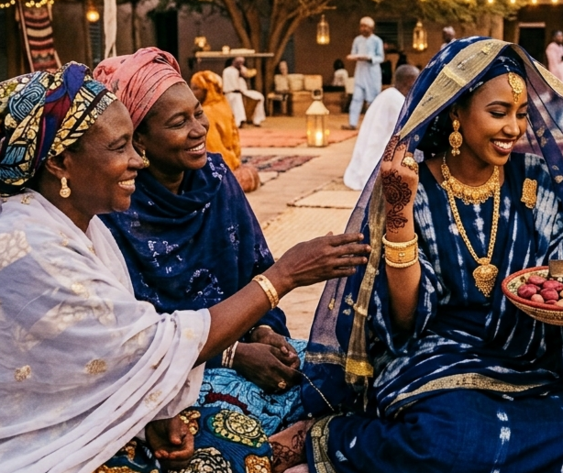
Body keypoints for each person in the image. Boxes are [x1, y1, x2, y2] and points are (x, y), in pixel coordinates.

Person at [0, 63, 369, 473]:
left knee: (342, 373)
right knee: (234, 445)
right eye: (120, 147)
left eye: (197, 113)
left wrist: (159, 415)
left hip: (151, 388)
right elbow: (151, 339)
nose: (136, 162)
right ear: (60, 162)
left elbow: (124, 353)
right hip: (47, 440)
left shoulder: (83, 224)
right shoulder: (29, 243)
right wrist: (282, 279)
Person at [299, 36, 563, 473]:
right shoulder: (409, 184)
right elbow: (403, 318)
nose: (514, 128)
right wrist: (398, 214)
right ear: (456, 111)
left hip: (522, 353)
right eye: (499, 113)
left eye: (522, 114)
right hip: (435, 352)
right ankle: (336, 436)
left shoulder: (530, 177)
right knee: (450, 443)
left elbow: (558, 272)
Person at [94, 48, 317, 439]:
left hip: (245, 341)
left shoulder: (215, 176)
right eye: (179, 122)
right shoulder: (116, 208)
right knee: (234, 432)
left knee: (338, 378)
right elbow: (134, 337)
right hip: (175, 373)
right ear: (139, 138)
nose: (199, 129)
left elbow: (255, 270)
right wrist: (231, 356)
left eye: (198, 112)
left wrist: (264, 331)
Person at [343, 64, 420, 190]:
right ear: (408, 81)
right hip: (375, 162)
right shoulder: (396, 100)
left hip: (369, 158)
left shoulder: (388, 94)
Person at [190, 70, 243, 170]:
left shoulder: (205, 113)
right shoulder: (224, 104)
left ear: (208, 90)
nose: (192, 93)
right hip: (233, 160)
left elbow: (213, 149)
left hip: (221, 164)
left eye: (196, 88)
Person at [345, 16, 385, 130]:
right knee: (356, 98)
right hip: (360, 72)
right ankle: (352, 123)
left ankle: (373, 124)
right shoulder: (357, 40)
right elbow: (353, 53)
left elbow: (380, 57)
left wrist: (369, 58)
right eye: (362, 26)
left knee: (372, 100)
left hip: (372, 73)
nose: (363, 28)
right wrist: (355, 57)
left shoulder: (377, 41)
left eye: (366, 26)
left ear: (371, 28)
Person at [223, 55, 266, 127]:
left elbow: (249, 74)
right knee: (237, 99)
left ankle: (256, 119)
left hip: (243, 91)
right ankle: (239, 122)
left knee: (260, 97)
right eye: (238, 62)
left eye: (241, 62)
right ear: (233, 61)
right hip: (231, 93)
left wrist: (241, 69)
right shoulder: (227, 70)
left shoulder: (241, 69)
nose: (240, 63)